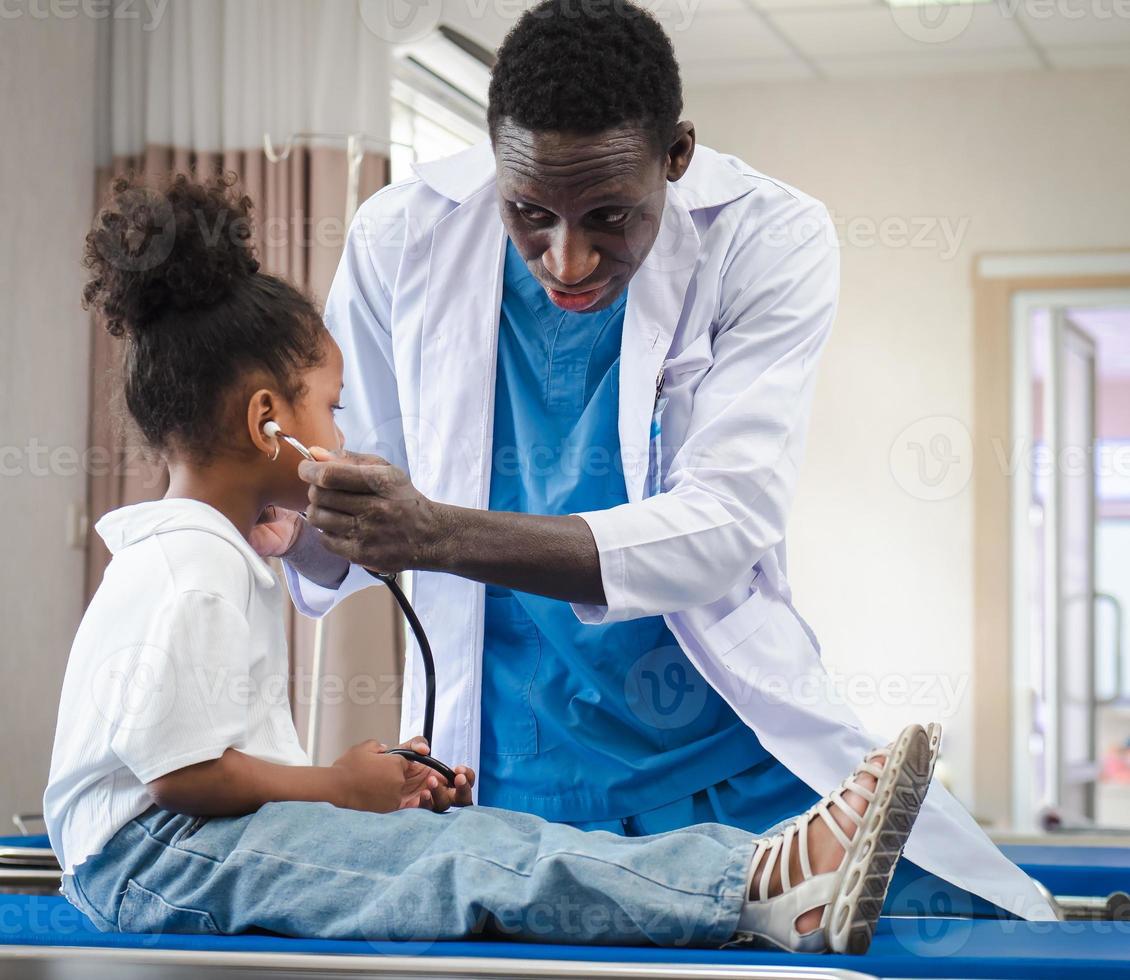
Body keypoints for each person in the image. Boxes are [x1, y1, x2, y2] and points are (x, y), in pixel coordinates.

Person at [268, 0, 1054, 920]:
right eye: (528, 212)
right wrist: (295, 519)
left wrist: (434, 531)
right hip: (513, 772)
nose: (566, 257)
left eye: (610, 214)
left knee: (979, 927)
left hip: (736, 767)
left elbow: (723, 522)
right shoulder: (400, 236)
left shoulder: (766, 235)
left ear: (675, 157)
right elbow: (364, 499)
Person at [45, 172, 934, 955]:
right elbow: (179, 774)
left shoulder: (210, 555)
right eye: (332, 408)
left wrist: (364, 786)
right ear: (267, 422)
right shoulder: (190, 570)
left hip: (178, 848)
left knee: (460, 851)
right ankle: (759, 887)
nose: (344, 435)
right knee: (458, 867)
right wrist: (335, 789)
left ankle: (757, 880)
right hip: (154, 857)